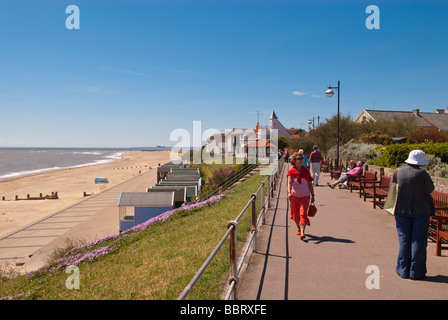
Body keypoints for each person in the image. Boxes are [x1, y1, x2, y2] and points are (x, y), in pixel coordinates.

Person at [393, 150, 435, 280]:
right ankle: (416, 271)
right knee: (419, 241)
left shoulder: (398, 172)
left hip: (402, 210)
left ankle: (403, 269)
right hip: (421, 210)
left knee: (404, 240)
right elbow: (430, 189)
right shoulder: (422, 173)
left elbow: (393, 189)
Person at [287, 152, 315, 240]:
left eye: (301, 158)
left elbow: (310, 183)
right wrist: (288, 192)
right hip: (294, 195)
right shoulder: (291, 171)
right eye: (299, 159)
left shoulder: (306, 171)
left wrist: (313, 195)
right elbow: (289, 183)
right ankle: (298, 228)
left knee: (303, 213)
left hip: (305, 195)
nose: (301, 160)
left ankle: (302, 232)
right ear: (294, 161)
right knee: (296, 213)